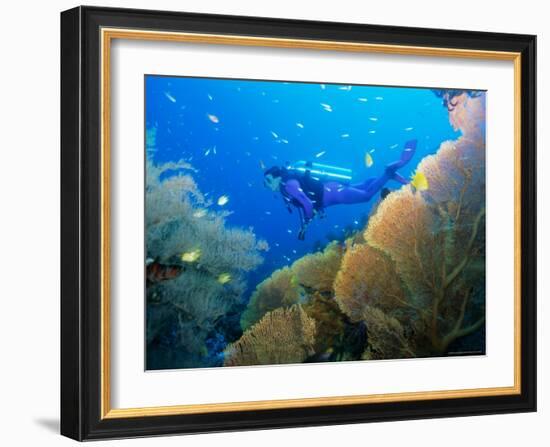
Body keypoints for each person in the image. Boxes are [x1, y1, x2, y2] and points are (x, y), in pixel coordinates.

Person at [263, 139, 417, 240]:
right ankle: (385, 176)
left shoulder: (288, 185)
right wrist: (308, 221)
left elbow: (307, 205)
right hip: (332, 189)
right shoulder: (286, 187)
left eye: (268, 181)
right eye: (265, 183)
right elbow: (308, 201)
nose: (268, 186)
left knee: (366, 196)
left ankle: (388, 172)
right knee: (363, 186)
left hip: (334, 194)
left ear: (277, 177)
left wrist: (308, 221)